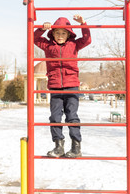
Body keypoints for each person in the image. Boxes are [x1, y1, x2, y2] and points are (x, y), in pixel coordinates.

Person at [34, 15, 91, 158]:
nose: (60, 36)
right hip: (55, 86)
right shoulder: (48, 46)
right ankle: (58, 145)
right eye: (57, 33)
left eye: (63, 33)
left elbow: (87, 39)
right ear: (52, 34)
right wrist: (41, 28)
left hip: (71, 86)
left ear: (69, 34)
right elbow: (34, 38)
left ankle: (76, 146)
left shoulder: (74, 45)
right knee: (55, 116)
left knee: (72, 115)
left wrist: (83, 23)